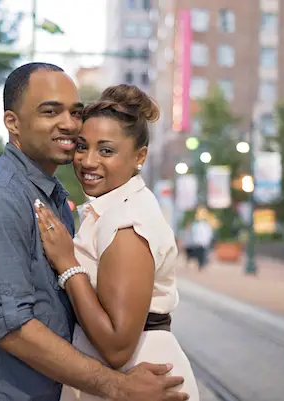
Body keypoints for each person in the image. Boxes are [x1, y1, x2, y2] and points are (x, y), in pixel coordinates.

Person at [0, 63, 189, 401]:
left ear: (139, 156)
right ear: (13, 123)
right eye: (50, 112)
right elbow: (10, 327)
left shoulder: (59, 198)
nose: (69, 125)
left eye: (75, 112)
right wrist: (116, 385)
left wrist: (69, 266)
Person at [33, 84, 200, 401]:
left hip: (143, 381)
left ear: (139, 156)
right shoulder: (113, 209)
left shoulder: (127, 222)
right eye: (82, 147)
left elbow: (116, 347)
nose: (88, 161)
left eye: (106, 150)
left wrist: (67, 263)